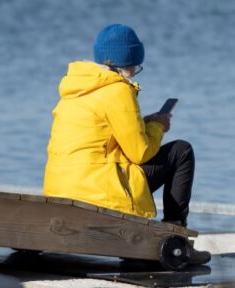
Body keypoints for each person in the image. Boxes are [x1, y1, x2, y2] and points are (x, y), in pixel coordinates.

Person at [43, 24, 207, 264]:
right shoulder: (117, 90)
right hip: (98, 190)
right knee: (181, 151)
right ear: (128, 62)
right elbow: (140, 152)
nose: (136, 70)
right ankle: (176, 236)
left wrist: (143, 122)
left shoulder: (75, 89)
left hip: (61, 188)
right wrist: (158, 126)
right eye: (136, 66)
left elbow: (102, 137)